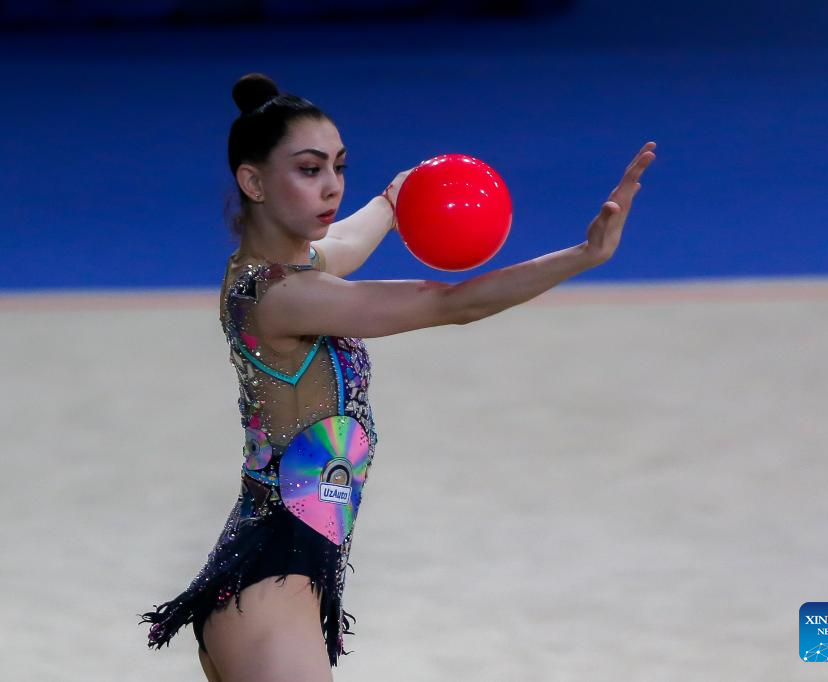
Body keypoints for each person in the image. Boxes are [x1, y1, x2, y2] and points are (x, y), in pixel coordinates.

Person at [140, 72, 656, 682]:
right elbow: (450, 304)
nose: (332, 185)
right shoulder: (282, 296)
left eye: (339, 166)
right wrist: (584, 255)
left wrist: (395, 198)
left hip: (271, 575)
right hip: (272, 592)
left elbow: (344, 242)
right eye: (309, 170)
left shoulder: (280, 271)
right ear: (253, 182)